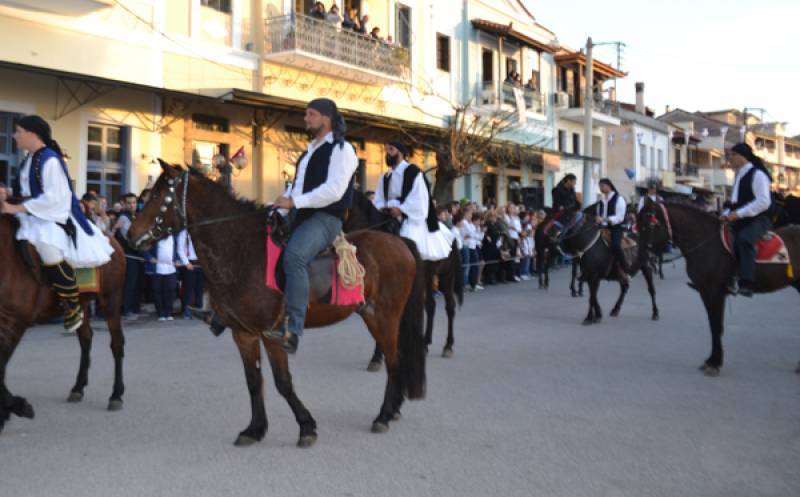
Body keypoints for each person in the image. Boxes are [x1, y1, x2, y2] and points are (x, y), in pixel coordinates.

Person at [0, 115, 113, 332]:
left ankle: (72, 304)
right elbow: (25, 193)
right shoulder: (28, 160)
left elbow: (54, 198)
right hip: (31, 215)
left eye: (18, 131)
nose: (14, 136)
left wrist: (15, 208)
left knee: (48, 248)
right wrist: (7, 197)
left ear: (31, 134)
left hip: (53, 217)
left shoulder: (50, 160)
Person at [263, 98, 358, 353]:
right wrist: (279, 205)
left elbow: (334, 190)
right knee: (255, 241)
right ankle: (224, 314)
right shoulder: (308, 152)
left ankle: (293, 331)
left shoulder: (342, 149)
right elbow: (297, 187)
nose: (306, 119)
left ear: (326, 119)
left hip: (326, 218)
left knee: (294, 258)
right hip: (300, 215)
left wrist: (295, 202)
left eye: (311, 114)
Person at [373, 140, 453, 261]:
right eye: (386, 150)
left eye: (391, 150)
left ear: (401, 153)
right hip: (389, 217)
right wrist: (384, 208)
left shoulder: (413, 172)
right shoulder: (385, 177)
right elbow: (378, 199)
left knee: (407, 244)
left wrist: (401, 210)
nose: (387, 153)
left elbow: (420, 199)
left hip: (410, 218)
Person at [722, 143, 773, 297]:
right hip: (741, 220)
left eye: (732, 155)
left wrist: (738, 214)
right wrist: (725, 214)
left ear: (741, 156)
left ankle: (747, 283)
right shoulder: (738, 175)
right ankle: (728, 279)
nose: (729, 159)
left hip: (759, 219)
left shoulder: (758, 175)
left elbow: (764, 201)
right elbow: (734, 202)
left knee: (744, 240)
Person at [596, 178, 628, 280]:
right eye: (600, 186)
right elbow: (598, 214)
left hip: (616, 227)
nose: (601, 188)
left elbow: (620, 217)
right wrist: (597, 219)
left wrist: (605, 219)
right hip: (602, 227)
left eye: (602, 186)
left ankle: (625, 268)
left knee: (615, 245)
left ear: (609, 186)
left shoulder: (619, 199)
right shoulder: (601, 200)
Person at [176, 229, 203, 319]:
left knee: (199, 289)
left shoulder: (199, 230)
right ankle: (187, 312)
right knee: (189, 289)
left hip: (200, 262)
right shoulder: (184, 233)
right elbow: (180, 249)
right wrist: (186, 262)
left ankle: (199, 310)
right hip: (189, 262)